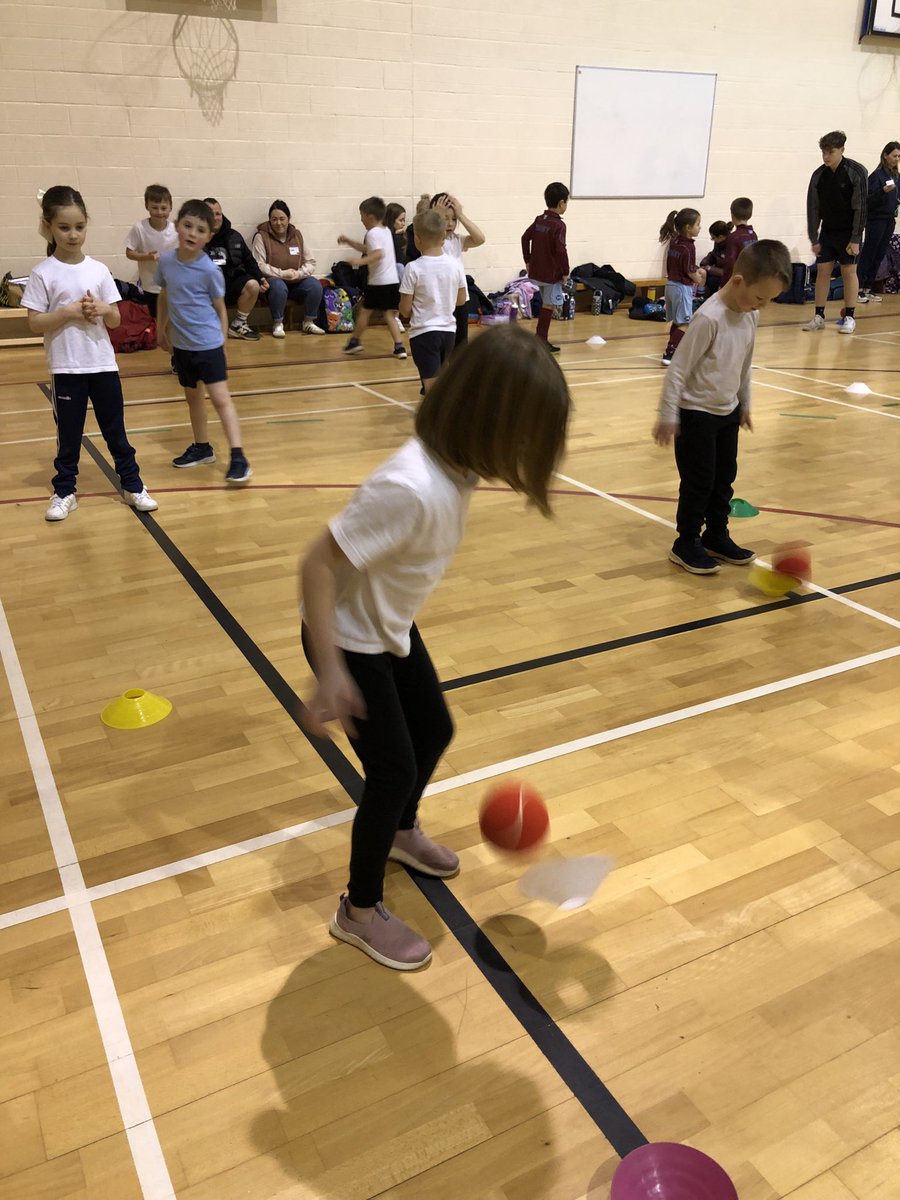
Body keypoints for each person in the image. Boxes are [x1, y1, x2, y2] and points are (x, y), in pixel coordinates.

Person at [299, 325, 571, 970]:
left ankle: (398, 833)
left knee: (434, 730)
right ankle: (357, 910)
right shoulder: (410, 487)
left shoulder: (458, 468)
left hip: (386, 627)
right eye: (527, 436)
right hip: (349, 640)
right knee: (391, 769)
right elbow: (315, 565)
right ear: (488, 421)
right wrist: (330, 673)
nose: (532, 452)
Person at [653, 240, 792, 575]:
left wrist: (744, 404)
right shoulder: (709, 318)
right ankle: (686, 542)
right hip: (696, 413)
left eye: (769, 300)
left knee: (724, 478)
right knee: (699, 481)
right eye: (760, 298)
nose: (763, 306)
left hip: (727, 412)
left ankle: (717, 535)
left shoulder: (749, 316)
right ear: (739, 280)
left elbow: (745, 364)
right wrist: (668, 414)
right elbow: (679, 370)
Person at [23, 186, 157, 523]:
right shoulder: (43, 272)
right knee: (69, 436)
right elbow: (35, 323)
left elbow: (114, 318)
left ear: (87, 226)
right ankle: (65, 490)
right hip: (67, 367)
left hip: (102, 365)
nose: (72, 234)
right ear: (49, 226)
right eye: (64, 227)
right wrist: (66, 313)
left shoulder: (98, 270)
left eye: (79, 227)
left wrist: (101, 309)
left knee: (116, 431)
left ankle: (132, 484)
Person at [156, 199, 252, 485]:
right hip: (182, 347)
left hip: (208, 344)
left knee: (221, 400)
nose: (192, 233)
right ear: (176, 226)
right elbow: (163, 295)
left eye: (200, 229)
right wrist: (160, 328)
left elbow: (220, 307)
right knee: (192, 397)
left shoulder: (210, 270)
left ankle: (238, 456)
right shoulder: (166, 262)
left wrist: (222, 340)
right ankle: (202, 447)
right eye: (187, 226)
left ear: (208, 236)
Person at [804, 131, 868, 335]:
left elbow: (861, 208)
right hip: (828, 232)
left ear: (842, 150)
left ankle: (849, 316)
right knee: (823, 271)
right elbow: (812, 208)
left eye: (830, 152)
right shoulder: (818, 175)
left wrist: (856, 238)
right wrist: (814, 237)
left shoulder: (856, 172)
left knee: (848, 272)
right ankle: (819, 316)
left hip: (849, 232)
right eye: (823, 152)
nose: (826, 157)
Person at [399, 208, 468, 393]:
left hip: (424, 333)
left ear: (417, 239)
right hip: (449, 332)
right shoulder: (455, 266)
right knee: (443, 383)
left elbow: (404, 310)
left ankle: (441, 420)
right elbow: (461, 300)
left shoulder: (413, 268)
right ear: (444, 237)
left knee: (431, 389)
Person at [338, 196, 406, 359]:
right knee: (389, 314)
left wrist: (359, 261)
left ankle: (355, 341)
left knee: (364, 311)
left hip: (378, 283)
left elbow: (377, 254)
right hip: (392, 281)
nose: (361, 220)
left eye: (361, 216)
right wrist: (348, 241)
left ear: (369, 216)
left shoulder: (372, 233)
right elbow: (368, 248)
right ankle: (399, 347)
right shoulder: (385, 231)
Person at [251, 200, 324, 338]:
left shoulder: (297, 235)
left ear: (289, 219)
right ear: (269, 221)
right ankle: (278, 323)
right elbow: (258, 264)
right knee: (278, 286)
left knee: (315, 285)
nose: (278, 223)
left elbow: (311, 262)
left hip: (296, 281)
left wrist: (299, 273)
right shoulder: (261, 237)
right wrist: (282, 273)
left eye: (282, 219)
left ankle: (308, 322)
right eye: (274, 219)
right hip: (273, 282)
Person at [425, 192, 486, 347]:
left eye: (453, 219)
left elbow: (480, 239)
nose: (450, 224)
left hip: (459, 300)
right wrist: (435, 216)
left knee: (460, 344)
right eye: (445, 218)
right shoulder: (428, 240)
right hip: (438, 302)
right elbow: (426, 234)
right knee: (442, 346)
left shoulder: (457, 240)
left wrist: (461, 215)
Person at [203, 197, 268, 341]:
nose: (215, 218)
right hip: (207, 288)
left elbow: (249, 260)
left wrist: (261, 278)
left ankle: (238, 325)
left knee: (253, 285)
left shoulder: (234, 236)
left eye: (218, 213)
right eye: (210, 213)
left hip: (230, 284)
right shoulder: (198, 238)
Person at [521, 181, 570, 354]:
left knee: (545, 305)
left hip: (536, 271)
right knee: (548, 306)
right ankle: (541, 340)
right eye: (566, 202)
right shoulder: (559, 225)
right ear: (561, 203)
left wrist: (527, 260)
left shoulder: (539, 220)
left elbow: (524, 238)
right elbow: (560, 250)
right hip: (551, 274)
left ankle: (540, 338)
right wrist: (565, 271)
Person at [659, 208, 706, 365]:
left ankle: (674, 349)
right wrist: (698, 278)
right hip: (681, 287)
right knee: (686, 323)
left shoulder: (674, 241)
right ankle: (670, 353)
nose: (700, 227)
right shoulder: (689, 246)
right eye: (698, 224)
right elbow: (688, 270)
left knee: (677, 322)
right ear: (688, 227)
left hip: (670, 286)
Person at [124, 184, 178, 319]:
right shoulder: (139, 228)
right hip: (151, 285)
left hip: (173, 284)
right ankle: (159, 339)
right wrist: (146, 256)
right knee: (156, 319)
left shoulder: (176, 229)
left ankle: (171, 340)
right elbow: (129, 253)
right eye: (155, 207)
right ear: (147, 206)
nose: (159, 212)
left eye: (163, 208)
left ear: (170, 207)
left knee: (173, 319)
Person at [857, 141, 900, 302]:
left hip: (889, 220)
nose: (896, 159)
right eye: (894, 156)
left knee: (879, 254)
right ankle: (859, 288)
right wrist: (882, 191)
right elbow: (867, 199)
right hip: (876, 220)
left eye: (899, 157)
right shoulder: (877, 176)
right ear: (885, 155)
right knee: (869, 252)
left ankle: (868, 287)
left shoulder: (896, 176)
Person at [720, 198, 758, 286]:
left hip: (736, 281)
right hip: (750, 279)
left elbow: (730, 264)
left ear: (732, 215)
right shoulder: (753, 234)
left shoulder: (734, 237)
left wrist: (724, 285)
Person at [699, 220, 732, 299]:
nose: (712, 239)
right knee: (702, 274)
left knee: (711, 280)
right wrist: (704, 263)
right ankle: (702, 299)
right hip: (717, 271)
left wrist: (709, 268)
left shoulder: (732, 246)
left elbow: (729, 270)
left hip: (727, 276)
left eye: (713, 238)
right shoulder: (718, 243)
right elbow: (713, 254)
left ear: (720, 237)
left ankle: (707, 300)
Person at [384, 202, 408, 281]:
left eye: (404, 220)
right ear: (391, 221)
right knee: (399, 267)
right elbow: (397, 260)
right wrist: (396, 237)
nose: (403, 224)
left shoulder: (404, 235)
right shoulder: (383, 236)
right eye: (401, 220)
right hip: (388, 278)